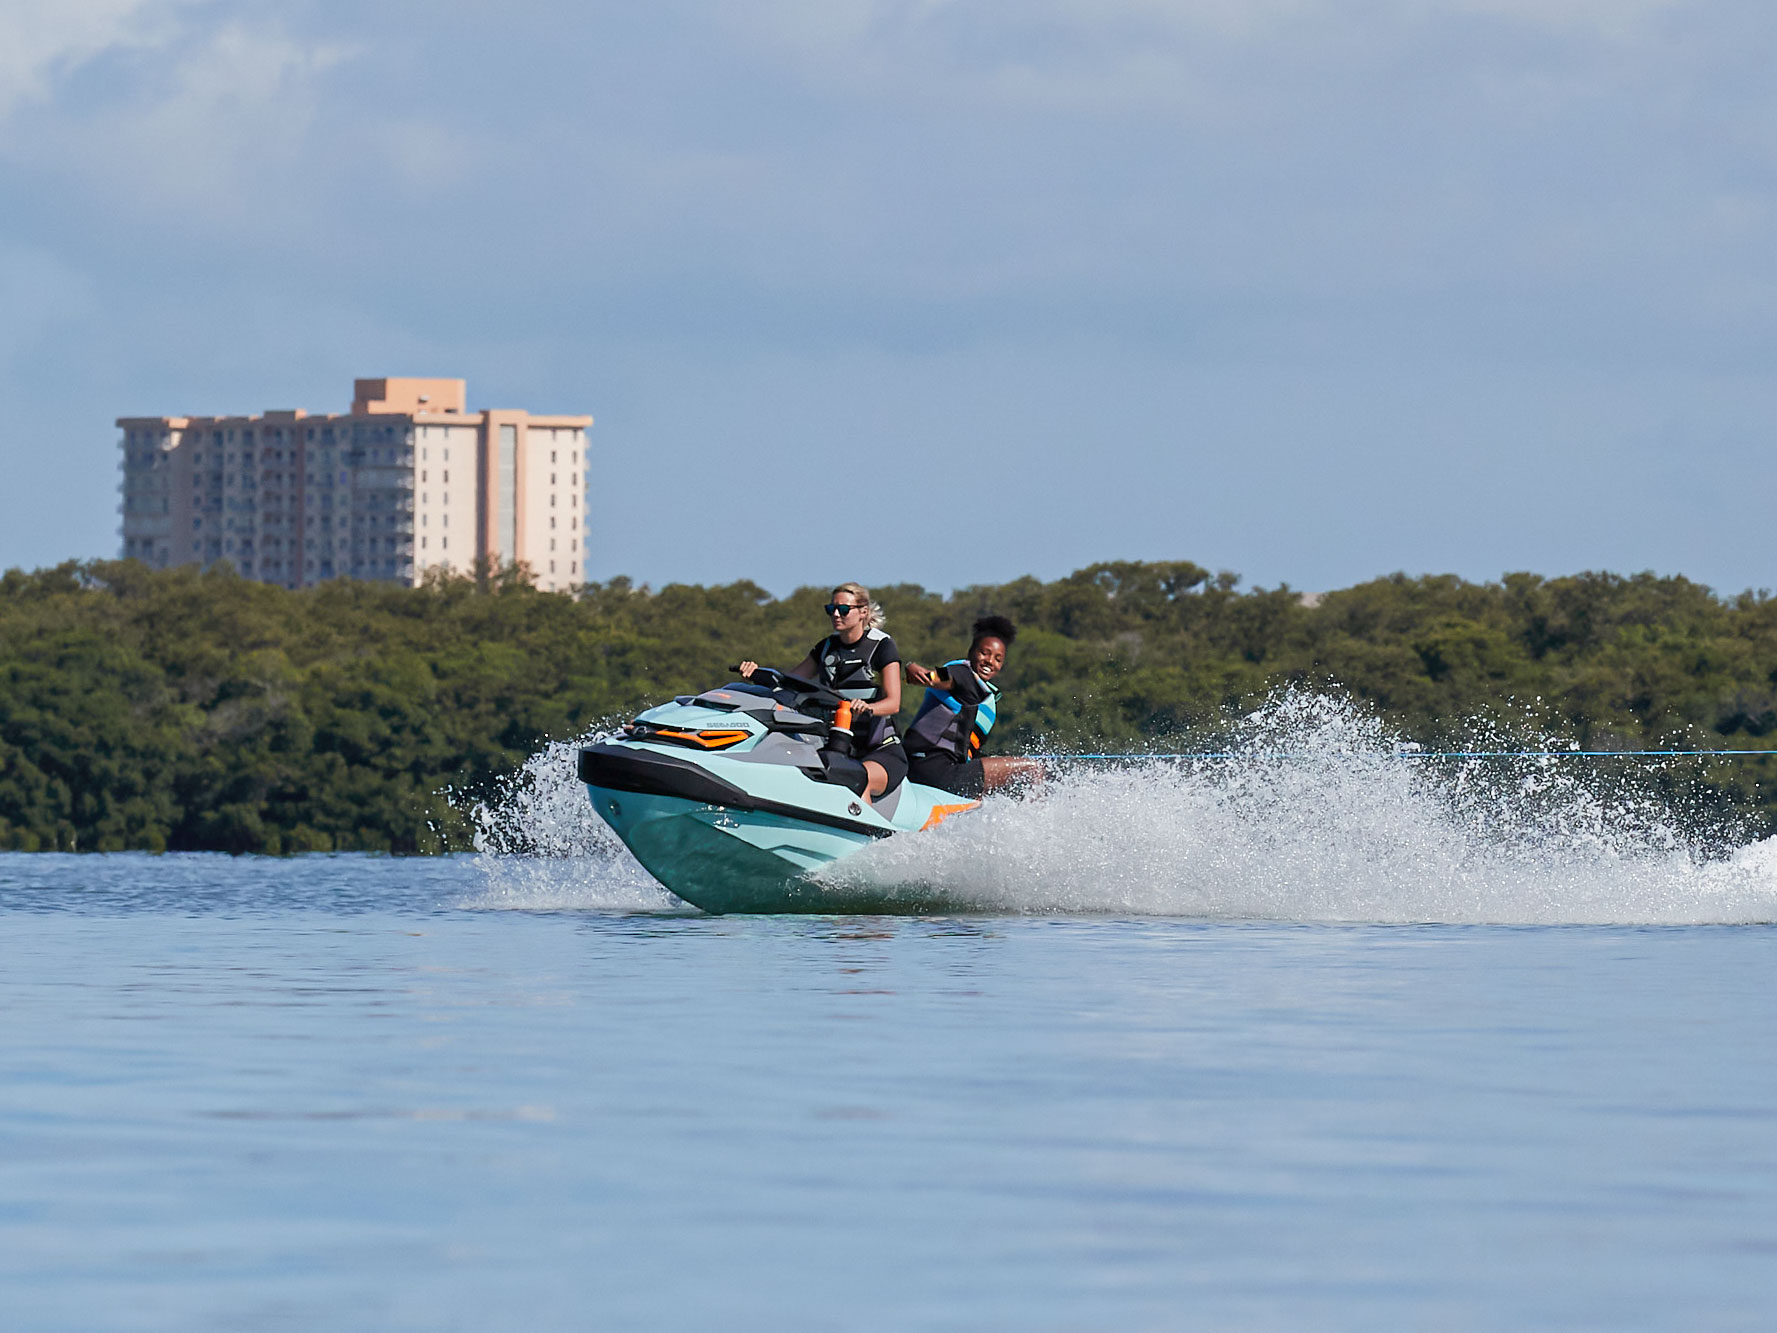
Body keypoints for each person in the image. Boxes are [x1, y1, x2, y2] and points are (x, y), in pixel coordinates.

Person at [739, 583, 907, 801]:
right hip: (838, 747)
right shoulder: (825, 647)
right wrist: (755, 674)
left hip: (880, 751)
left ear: (862, 612)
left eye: (843, 610)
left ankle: (864, 834)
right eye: (831, 609)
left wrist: (867, 707)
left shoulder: (882, 645)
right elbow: (789, 683)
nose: (836, 614)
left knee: (855, 778)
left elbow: (893, 703)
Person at [903, 615, 1043, 798]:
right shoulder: (963, 674)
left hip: (928, 767)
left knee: (995, 790)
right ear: (971, 652)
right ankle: (1040, 821)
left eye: (998, 659)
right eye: (984, 653)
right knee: (1033, 769)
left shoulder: (982, 691)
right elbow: (938, 678)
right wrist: (914, 669)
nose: (990, 662)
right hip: (936, 770)